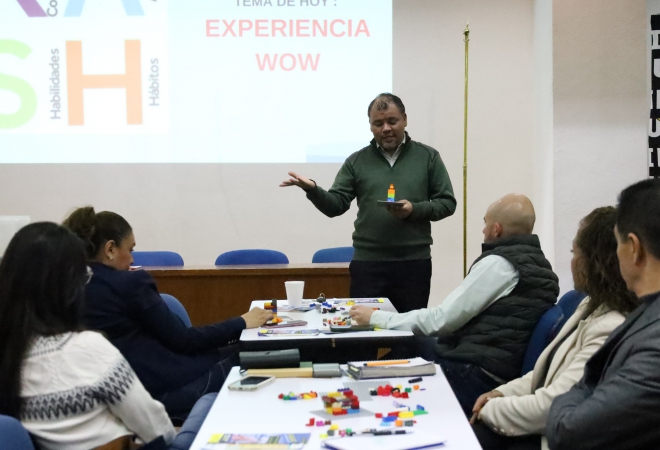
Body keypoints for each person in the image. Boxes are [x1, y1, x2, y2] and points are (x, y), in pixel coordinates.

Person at [350, 193, 559, 415]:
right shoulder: (540, 266)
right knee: (413, 342)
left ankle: (357, 396)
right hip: (498, 368)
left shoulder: (499, 265)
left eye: (485, 223)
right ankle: (361, 390)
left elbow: (442, 320)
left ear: (496, 229)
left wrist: (375, 317)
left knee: (405, 347)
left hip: (475, 375)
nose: (483, 230)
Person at [63, 207, 273, 420]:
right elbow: (184, 341)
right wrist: (242, 322)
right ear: (110, 249)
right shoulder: (128, 284)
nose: (132, 260)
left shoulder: (64, 287)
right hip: (167, 392)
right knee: (261, 353)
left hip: (110, 398)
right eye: (130, 249)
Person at [469, 206, 639, 450]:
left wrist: (491, 410)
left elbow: (553, 405)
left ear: (595, 262)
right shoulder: (590, 304)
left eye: (574, 253)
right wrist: (503, 393)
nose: (572, 262)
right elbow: (547, 371)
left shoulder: (611, 325)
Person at [0, 222, 176, 450]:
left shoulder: (9, 352)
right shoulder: (87, 348)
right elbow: (159, 431)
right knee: (208, 405)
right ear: (68, 287)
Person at [281, 93, 456, 313]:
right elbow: (335, 206)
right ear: (370, 126)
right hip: (368, 264)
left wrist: (414, 209)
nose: (386, 128)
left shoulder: (428, 157)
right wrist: (312, 189)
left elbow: (447, 203)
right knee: (363, 330)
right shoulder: (357, 161)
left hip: (413, 263)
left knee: (409, 331)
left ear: (405, 119)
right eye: (378, 123)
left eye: (392, 121)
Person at [546, 179, 660, 449]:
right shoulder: (645, 313)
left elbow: (569, 430)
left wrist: (568, 397)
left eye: (618, 243)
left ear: (634, 248)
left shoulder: (653, 344)